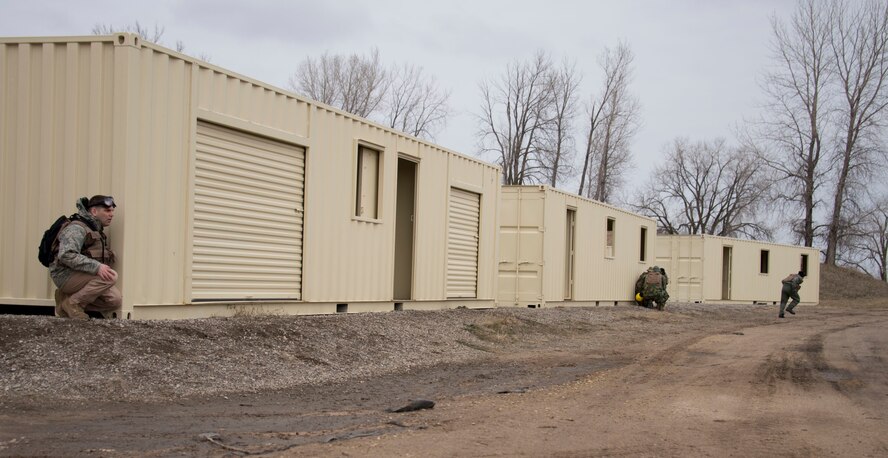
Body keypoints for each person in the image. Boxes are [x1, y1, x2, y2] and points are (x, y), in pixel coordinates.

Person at [49, 195, 121, 320]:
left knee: (114, 300)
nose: (111, 214)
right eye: (107, 210)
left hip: (83, 274)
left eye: (112, 211)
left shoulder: (96, 230)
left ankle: (66, 301)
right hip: (65, 275)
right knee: (111, 277)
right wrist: (96, 267)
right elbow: (66, 254)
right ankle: (73, 304)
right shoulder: (77, 228)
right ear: (94, 211)